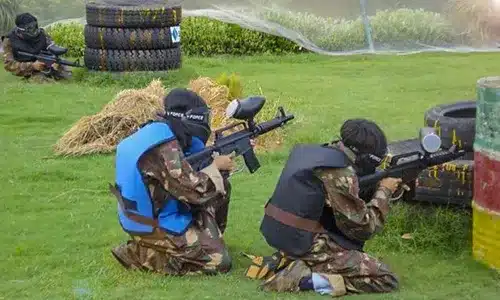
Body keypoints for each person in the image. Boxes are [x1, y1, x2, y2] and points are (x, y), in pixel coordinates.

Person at [254, 119, 401, 297]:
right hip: (307, 243)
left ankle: (292, 259)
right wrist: (384, 191)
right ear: (364, 157)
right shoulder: (339, 173)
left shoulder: (316, 153)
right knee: (385, 278)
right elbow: (363, 227)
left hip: (282, 233)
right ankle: (304, 279)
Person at [109, 88, 238, 276]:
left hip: (138, 218)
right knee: (219, 262)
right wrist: (216, 167)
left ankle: (198, 242)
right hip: (154, 226)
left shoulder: (151, 132)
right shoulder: (163, 147)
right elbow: (196, 191)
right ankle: (141, 256)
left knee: (220, 185)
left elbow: (176, 174)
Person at [1, 13, 71, 82]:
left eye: (35, 26)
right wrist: (32, 66)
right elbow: (9, 65)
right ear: (21, 30)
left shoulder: (42, 34)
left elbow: (51, 49)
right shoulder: (10, 40)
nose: (34, 31)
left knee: (69, 77)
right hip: (28, 71)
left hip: (46, 66)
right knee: (45, 83)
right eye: (30, 28)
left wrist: (54, 61)